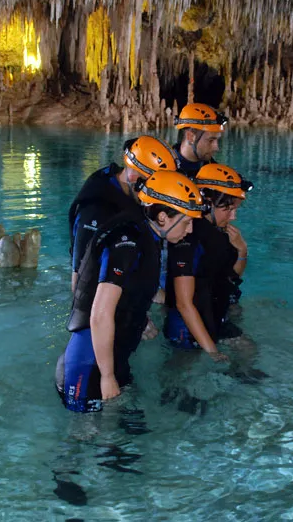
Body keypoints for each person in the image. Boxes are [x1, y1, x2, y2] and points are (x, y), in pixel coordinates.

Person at [56, 171, 205, 413]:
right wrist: (106, 376)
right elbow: (100, 314)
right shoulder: (127, 242)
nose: (189, 230)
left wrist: (142, 318)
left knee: (128, 437)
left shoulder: (147, 235)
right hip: (89, 362)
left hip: (113, 356)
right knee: (87, 443)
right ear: (163, 217)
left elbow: (133, 286)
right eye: (187, 222)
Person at [164, 163, 253, 358]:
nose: (234, 216)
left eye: (236, 209)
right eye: (229, 209)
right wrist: (212, 351)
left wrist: (242, 249)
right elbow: (183, 303)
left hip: (214, 314)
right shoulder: (186, 236)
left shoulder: (221, 235)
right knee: (183, 374)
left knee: (249, 352)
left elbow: (231, 278)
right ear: (208, 203)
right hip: (186, 327)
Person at [67, 135, 177, 293]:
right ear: (134, 177)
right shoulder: (96, 210)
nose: (158, 195)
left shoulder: (133, 195)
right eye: (155, 186)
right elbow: (80, 285)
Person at [173, 103, 227, 178]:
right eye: (210, 140)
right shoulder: (165, 170)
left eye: (217, 140)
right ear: (190, 137)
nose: (216, 148)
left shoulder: (214, 171)